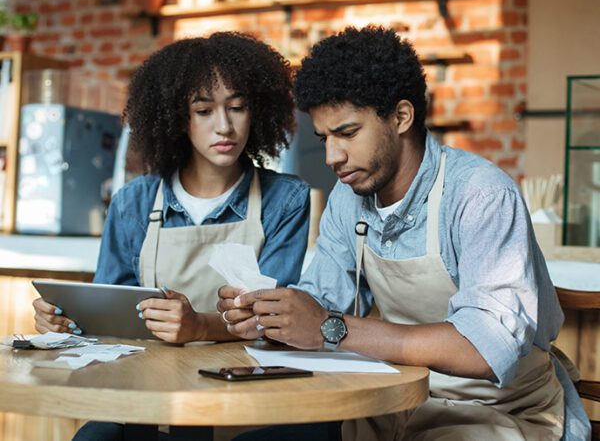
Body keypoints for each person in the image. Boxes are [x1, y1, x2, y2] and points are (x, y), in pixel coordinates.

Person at [219, 26, 591, 441]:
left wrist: (329, 327)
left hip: (495, 412)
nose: (331, 157)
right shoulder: (349, 198)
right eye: (324, 138)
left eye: (347, 133)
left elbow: (488, 348)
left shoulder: (480, 195)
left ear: (401, 116)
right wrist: (273, 318)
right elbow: (322, 303)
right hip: (390, 405)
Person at [31, 32, 310, 440]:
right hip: (146, 394)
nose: (225, 126)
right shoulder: (134, 202)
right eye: (204, 110)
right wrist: (66, 322)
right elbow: (109, 321)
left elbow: (274, 321)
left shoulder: (285, 199)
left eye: (237, 107)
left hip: (243, 394)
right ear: (179, 118)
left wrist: (199, 327)